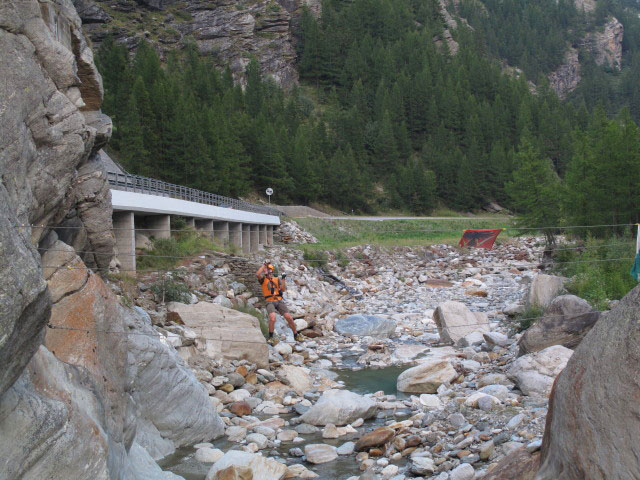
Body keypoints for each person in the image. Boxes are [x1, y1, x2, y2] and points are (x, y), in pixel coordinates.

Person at [256, 261, 302, 344]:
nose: (270, 273)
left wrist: (283, 279)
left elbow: (283, 289)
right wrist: (264, 265)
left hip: (279, 301)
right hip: (269, 301)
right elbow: (258, 274)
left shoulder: (277, 279)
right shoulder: (263, 280)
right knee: (272, 318)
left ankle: (296, 335)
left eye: (271, 271)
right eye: (268, 271)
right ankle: (270, 337)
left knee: (289, 317)